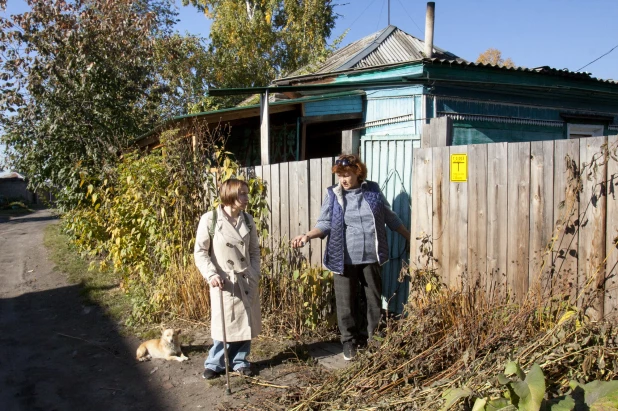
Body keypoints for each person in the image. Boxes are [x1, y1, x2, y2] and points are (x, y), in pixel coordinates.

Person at [291, 154, 410, 361]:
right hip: (342, 257)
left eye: (347, 174)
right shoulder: (333, 194)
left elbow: (389, 216)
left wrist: (409, 236)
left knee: (373, 301)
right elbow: (325, 223)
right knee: (346, 303)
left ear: (357, 172)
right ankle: (349, 342)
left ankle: (374, 340)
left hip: (371, 256)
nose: (343, 180)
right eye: (340, 176)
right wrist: (308, 235)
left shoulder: (372, 191)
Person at [194, 178, 261, 379]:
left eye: (247, 194)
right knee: (224, 323)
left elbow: (254, 251)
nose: (246, 198)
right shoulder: (210, 219)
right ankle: (215, 363)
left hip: (246, 279)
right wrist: (211, 275)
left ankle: (240, 361)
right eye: (242, 194)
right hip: (223, 281)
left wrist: (254, 272)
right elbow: (200, 252)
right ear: (230, 195)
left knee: (244, 322)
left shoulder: (248, 220)